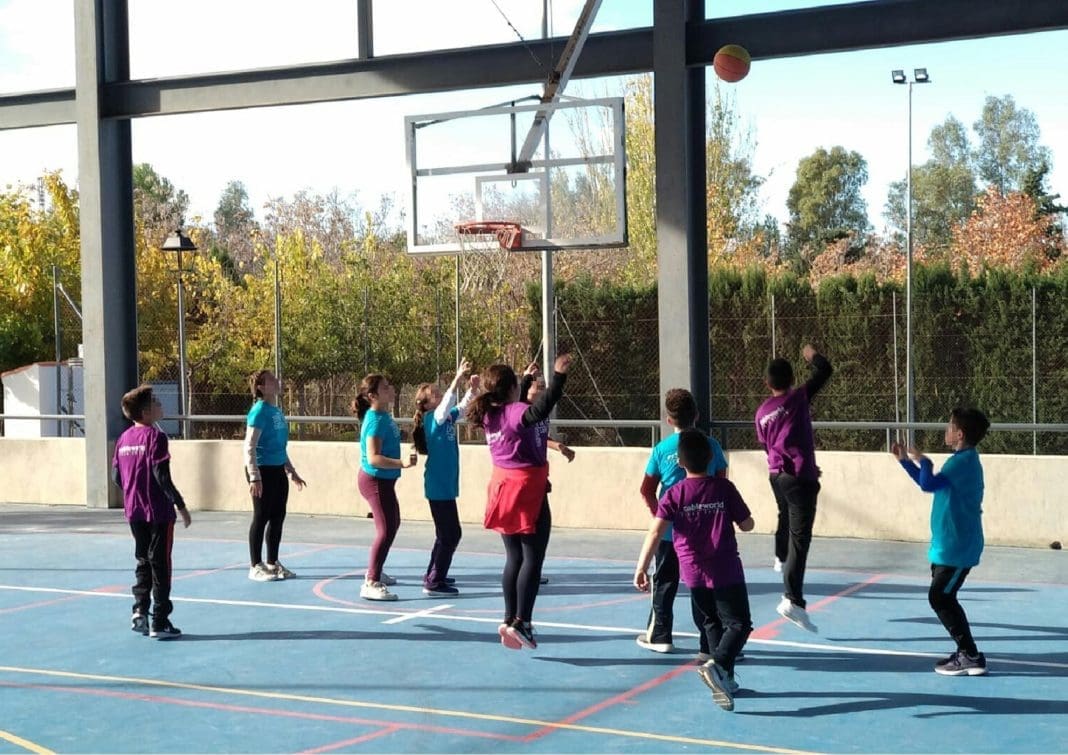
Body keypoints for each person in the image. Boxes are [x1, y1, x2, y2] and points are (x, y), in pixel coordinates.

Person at [634, 429, 754, 712]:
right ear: (711, 457)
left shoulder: (674, 493)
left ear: (680, 463)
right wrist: (741, 520)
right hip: (725, 568)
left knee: (711, 621)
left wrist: (641, 567)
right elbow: (747, 524)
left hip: (692, 571)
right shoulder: (724, 488)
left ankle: (725, 679)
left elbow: (655, 532)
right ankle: (718, 665)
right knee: (739, 624)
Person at [466, 353, 572, 650]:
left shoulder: (490, 413)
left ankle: (509, 617)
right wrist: (559, 376)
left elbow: (516, 405)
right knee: (532, 558)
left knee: (514, 557)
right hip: (525, 489)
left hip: (502, 487)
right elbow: (538, 409)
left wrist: (524, 379)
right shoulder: (515, 412)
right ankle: (522, 622)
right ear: (511, 389)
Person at [892, 407, 990, 676]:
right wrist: (906, 462)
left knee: (940, 597)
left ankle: (970, 655)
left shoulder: (962, 463)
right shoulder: (961, 461)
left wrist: (924, 461)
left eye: (950, 426)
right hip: (947, 545)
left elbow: (928, 483)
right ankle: (967, 653)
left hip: (958, 547)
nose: (946, 430)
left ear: (959, 434)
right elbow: (931, 484)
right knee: (943, 597)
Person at [637, 388, 728, 655]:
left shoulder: (661, 449)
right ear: (697, 415)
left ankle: (660, 635)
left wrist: (660, 516)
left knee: (664, 581)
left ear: (669, 420)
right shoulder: (711, 446)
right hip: (704, 531)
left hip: (670, 532)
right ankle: (711, 641)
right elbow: (721, 484)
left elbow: (646, 489)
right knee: (704, 584)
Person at [755, 344, 832, 633]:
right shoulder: (798, 397)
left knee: (785, 519)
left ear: (767, 383)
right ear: (792, 379)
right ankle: (792, 600)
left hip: (777, 475)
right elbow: (825, 370)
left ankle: (780, 557)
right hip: (798, 477)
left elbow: (767, 445)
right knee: (800, 539)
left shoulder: (762, 412)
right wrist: (812, 355)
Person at [111, 385, 192, 640]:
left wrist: (133, 491)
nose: (160, 404)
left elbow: (116, 477)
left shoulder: (124, 439)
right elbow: (162, 476)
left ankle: (139, 610)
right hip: (158, 512)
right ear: (146, 412)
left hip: (134, 511)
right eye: (155, 401)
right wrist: (180, 504)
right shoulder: (156, 437)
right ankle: (160, 620)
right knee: (161, 565)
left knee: (143, 561)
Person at [412, 358, 479, 597]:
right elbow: (449, 401)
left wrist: (472, 389)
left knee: (445, 534)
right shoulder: (433, 418)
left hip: (445, 486)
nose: (440, 395)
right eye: (435, 394)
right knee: (451, 533)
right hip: (438, 486)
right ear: (426, 404)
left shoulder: (446, 417)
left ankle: (434, 573)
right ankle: (434, 581)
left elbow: (461, 406)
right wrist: (458, 378)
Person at [354, 373, 416, 601]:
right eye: (385, 387)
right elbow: (373, 458)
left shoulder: (384, 416)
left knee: (392, 524)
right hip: (375, 481)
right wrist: (402, 463)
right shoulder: (375, 420)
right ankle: (371, 581)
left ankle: (376, 570)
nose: (391, 389)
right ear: (373, 396)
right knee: (387, 528)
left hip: (384, 481)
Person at [244, 370, 307, 583]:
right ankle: (255, 565)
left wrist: (291, 471)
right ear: (261, 387)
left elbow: (280, 446)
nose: (277, 381)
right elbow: (249, 446)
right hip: (262, 470)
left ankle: (272, 562)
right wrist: (254, 476)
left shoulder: (276, 411)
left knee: (278, 516)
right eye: (271, 380)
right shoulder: (259, 411)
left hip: (277, 468)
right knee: (261, 516)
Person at [520, 362, 576, 586]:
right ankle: (526, 570)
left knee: (540, 528)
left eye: (544, 386)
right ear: (527, 389)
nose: (543, 389)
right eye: (539, 386)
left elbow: (541, 438)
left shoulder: (541, 413)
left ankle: (532, 568)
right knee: (528, 529)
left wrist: (559, 446)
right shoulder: (520, 412)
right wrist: (526, 376)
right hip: (525, 478)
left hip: (540, 475)